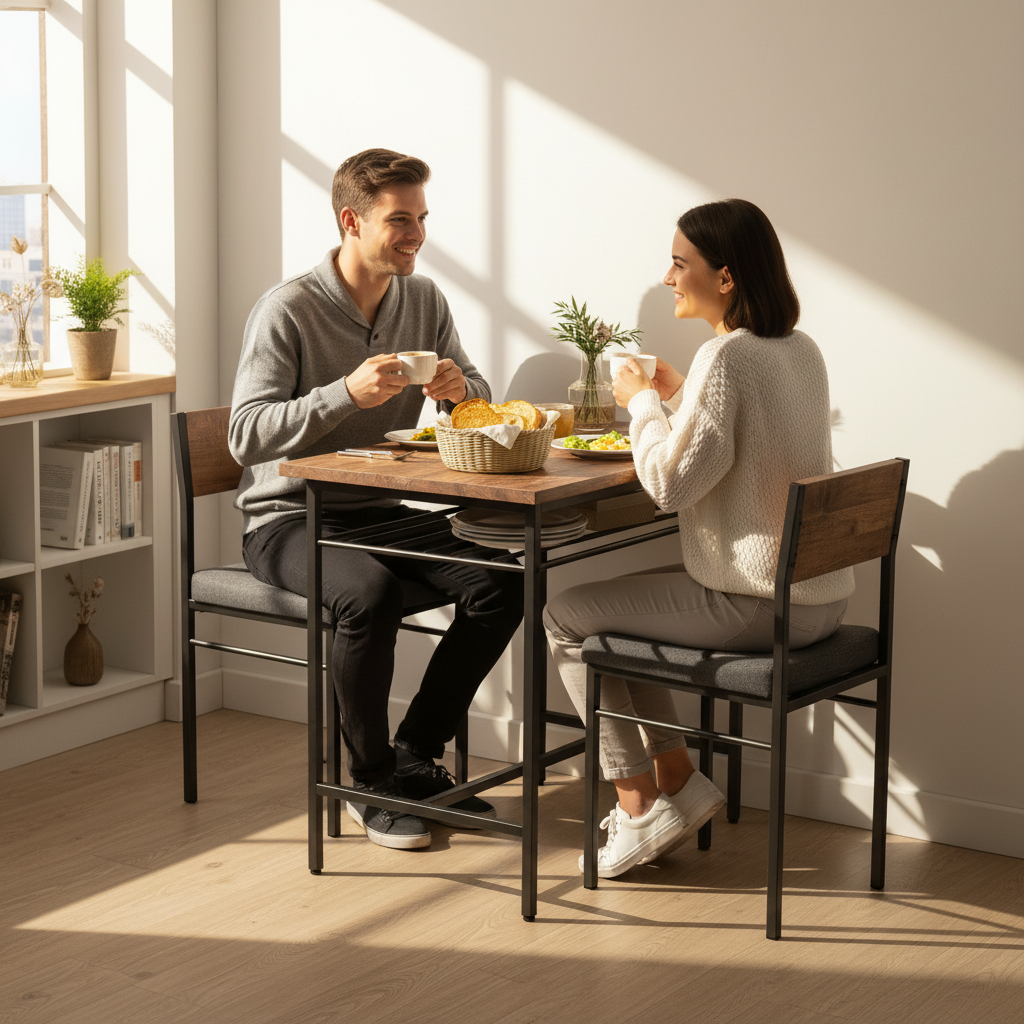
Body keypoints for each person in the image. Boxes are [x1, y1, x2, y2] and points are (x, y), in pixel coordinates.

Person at [544, 199, 854, 878]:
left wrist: (640, 404)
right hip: (820, 597)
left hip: (761, 602)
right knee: (610, 620)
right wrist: (679, 391)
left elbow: (668, 486)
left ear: (726, 278)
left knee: (564, 614)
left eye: (680, 263)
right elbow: (749, 436)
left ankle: (636, 808)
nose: (667, 276)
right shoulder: (798, 350)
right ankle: (680, 784)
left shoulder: (727, 358)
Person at [229, 149, 523, 851]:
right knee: (367, 597)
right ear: (350, 221)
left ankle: (416, 753)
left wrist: (460, 392)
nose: (415, 233)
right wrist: (343, 396)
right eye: (400, 220)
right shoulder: (288, 310)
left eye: (421, 218)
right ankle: (369, 782)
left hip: (378, 510)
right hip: (289, 520)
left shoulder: (422, 300)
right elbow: (245, 434)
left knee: (503, 581)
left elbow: (478, 395)